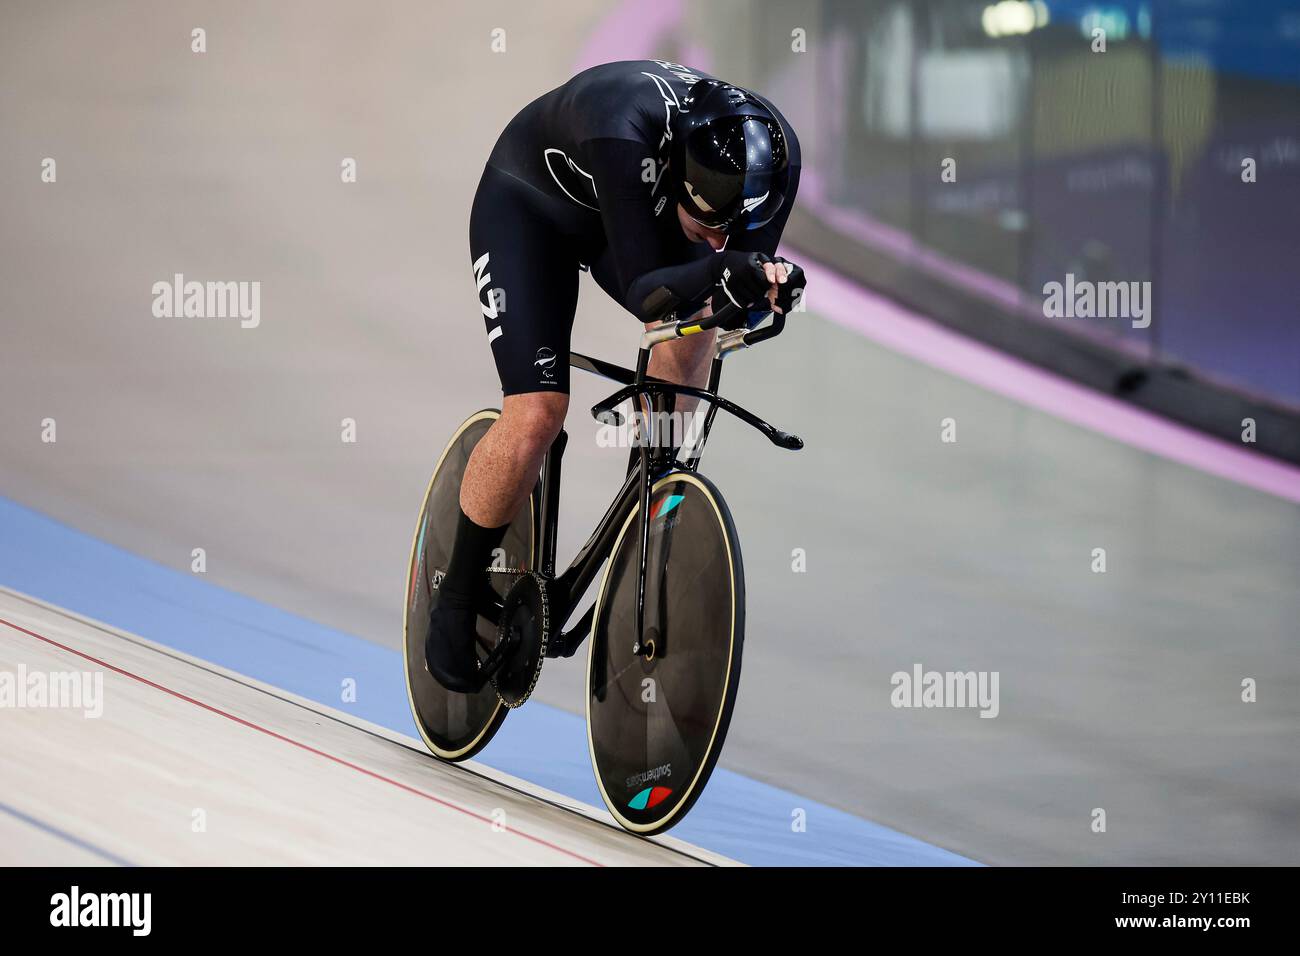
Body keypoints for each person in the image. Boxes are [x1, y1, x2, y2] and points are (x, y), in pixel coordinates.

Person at [427, 59, 804, 692]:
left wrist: (767, 282)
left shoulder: (778, 153)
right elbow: (647, 290)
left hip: (634, 212)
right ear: (679, 173)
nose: (717, 240)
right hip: (532, 211)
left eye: (728, 228)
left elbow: (736, 267)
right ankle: (455, 599)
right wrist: (724, 270)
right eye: (705, 225)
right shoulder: (621, 123)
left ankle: (645, 497)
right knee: (538, 413)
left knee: (699, 321)